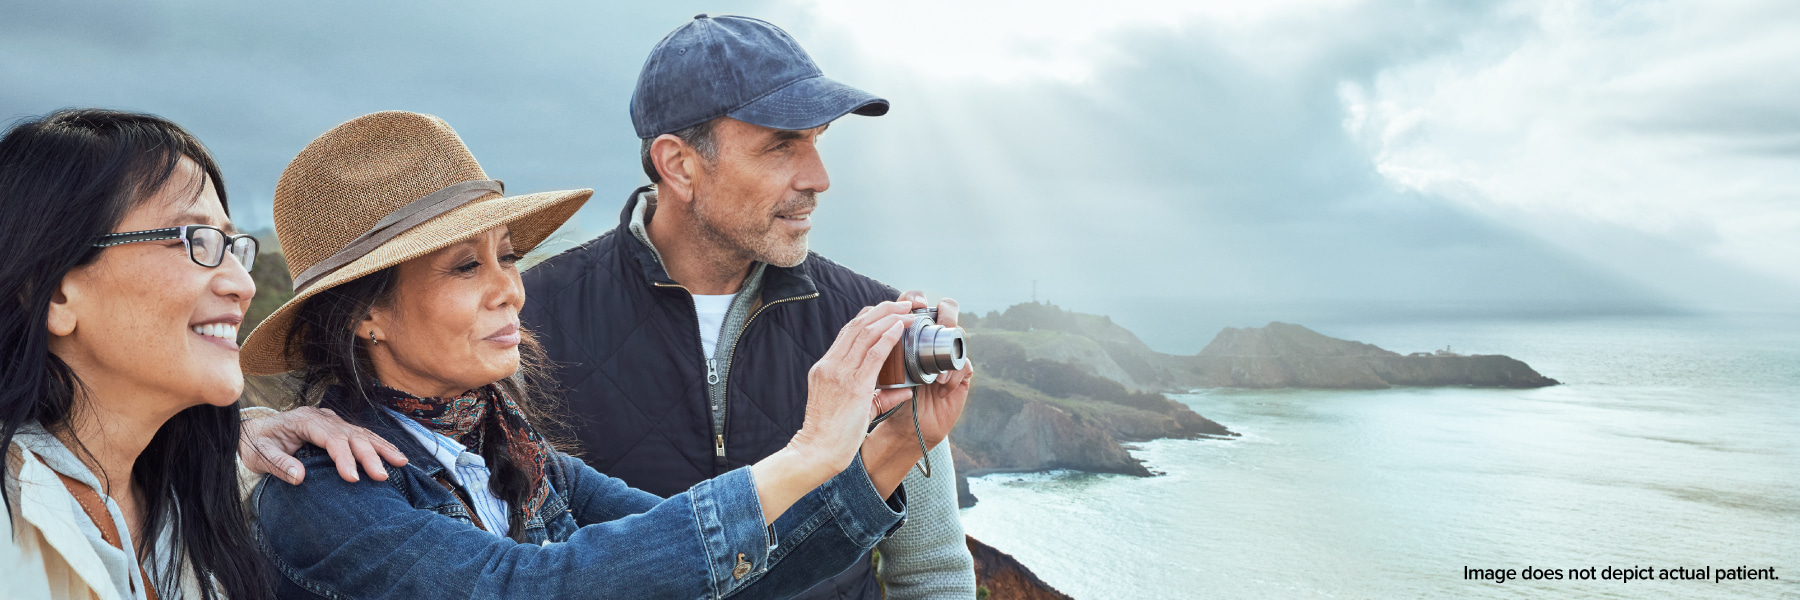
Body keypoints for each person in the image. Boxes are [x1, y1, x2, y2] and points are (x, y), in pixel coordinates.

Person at [241, 110, 960, 599]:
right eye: (467, 267)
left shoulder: (516, 454)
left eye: (510, 258)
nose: (509, 292)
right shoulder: (322, 495)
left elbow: (723, 572)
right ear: (365, 313)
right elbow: (528, 587)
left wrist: (896, 444)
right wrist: (806, 452)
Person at [520, 15, 976, 599]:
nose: (819, 178)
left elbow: (932, 571)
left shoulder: (876, 323)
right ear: (679, 164)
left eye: (817, 139)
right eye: (781, 145)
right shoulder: (526, 324)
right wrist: (358, 416)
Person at [0, 109, 407, 600]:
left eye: (233, 246)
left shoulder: (188, 503)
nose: (243, 283)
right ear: (57, 295)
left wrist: (250, 436)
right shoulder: (18, 523)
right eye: (193, 240)